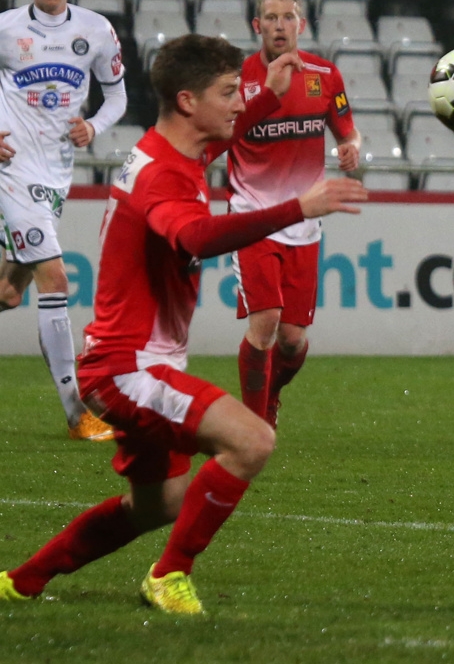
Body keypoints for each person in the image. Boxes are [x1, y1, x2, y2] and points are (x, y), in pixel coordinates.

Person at [0, 33, 367, 614]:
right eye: (229, 93)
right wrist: (300, 206)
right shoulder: (164, 175)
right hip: (128, 369)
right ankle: (169, 574)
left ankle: (20, 581)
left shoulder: (178, 150)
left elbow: (234, 136)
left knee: (159, 504)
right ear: (189, 101)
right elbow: (195, 235)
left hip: (132, 364)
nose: (239, 103)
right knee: (252, 441)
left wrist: (269, 98)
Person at [0, 0, 127, 441]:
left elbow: (117, 97)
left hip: (55, 175)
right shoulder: (6, 29)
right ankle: (78, 414)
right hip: (10, 169)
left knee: (10, 292)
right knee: (55, 278)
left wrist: (93, 125)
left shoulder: (95, 30)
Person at [230, 0, 362, 429]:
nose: (280, 25)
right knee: (265, 321)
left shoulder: (325, 75)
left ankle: (270, 398)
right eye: (271, 17)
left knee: (292, 340)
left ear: (301, 25)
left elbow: (348, 132)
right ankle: (252, 427)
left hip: (304, 224)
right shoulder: (236, 80)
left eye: (288, 17)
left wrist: (351, 148)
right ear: (257, 26)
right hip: (251, 217)